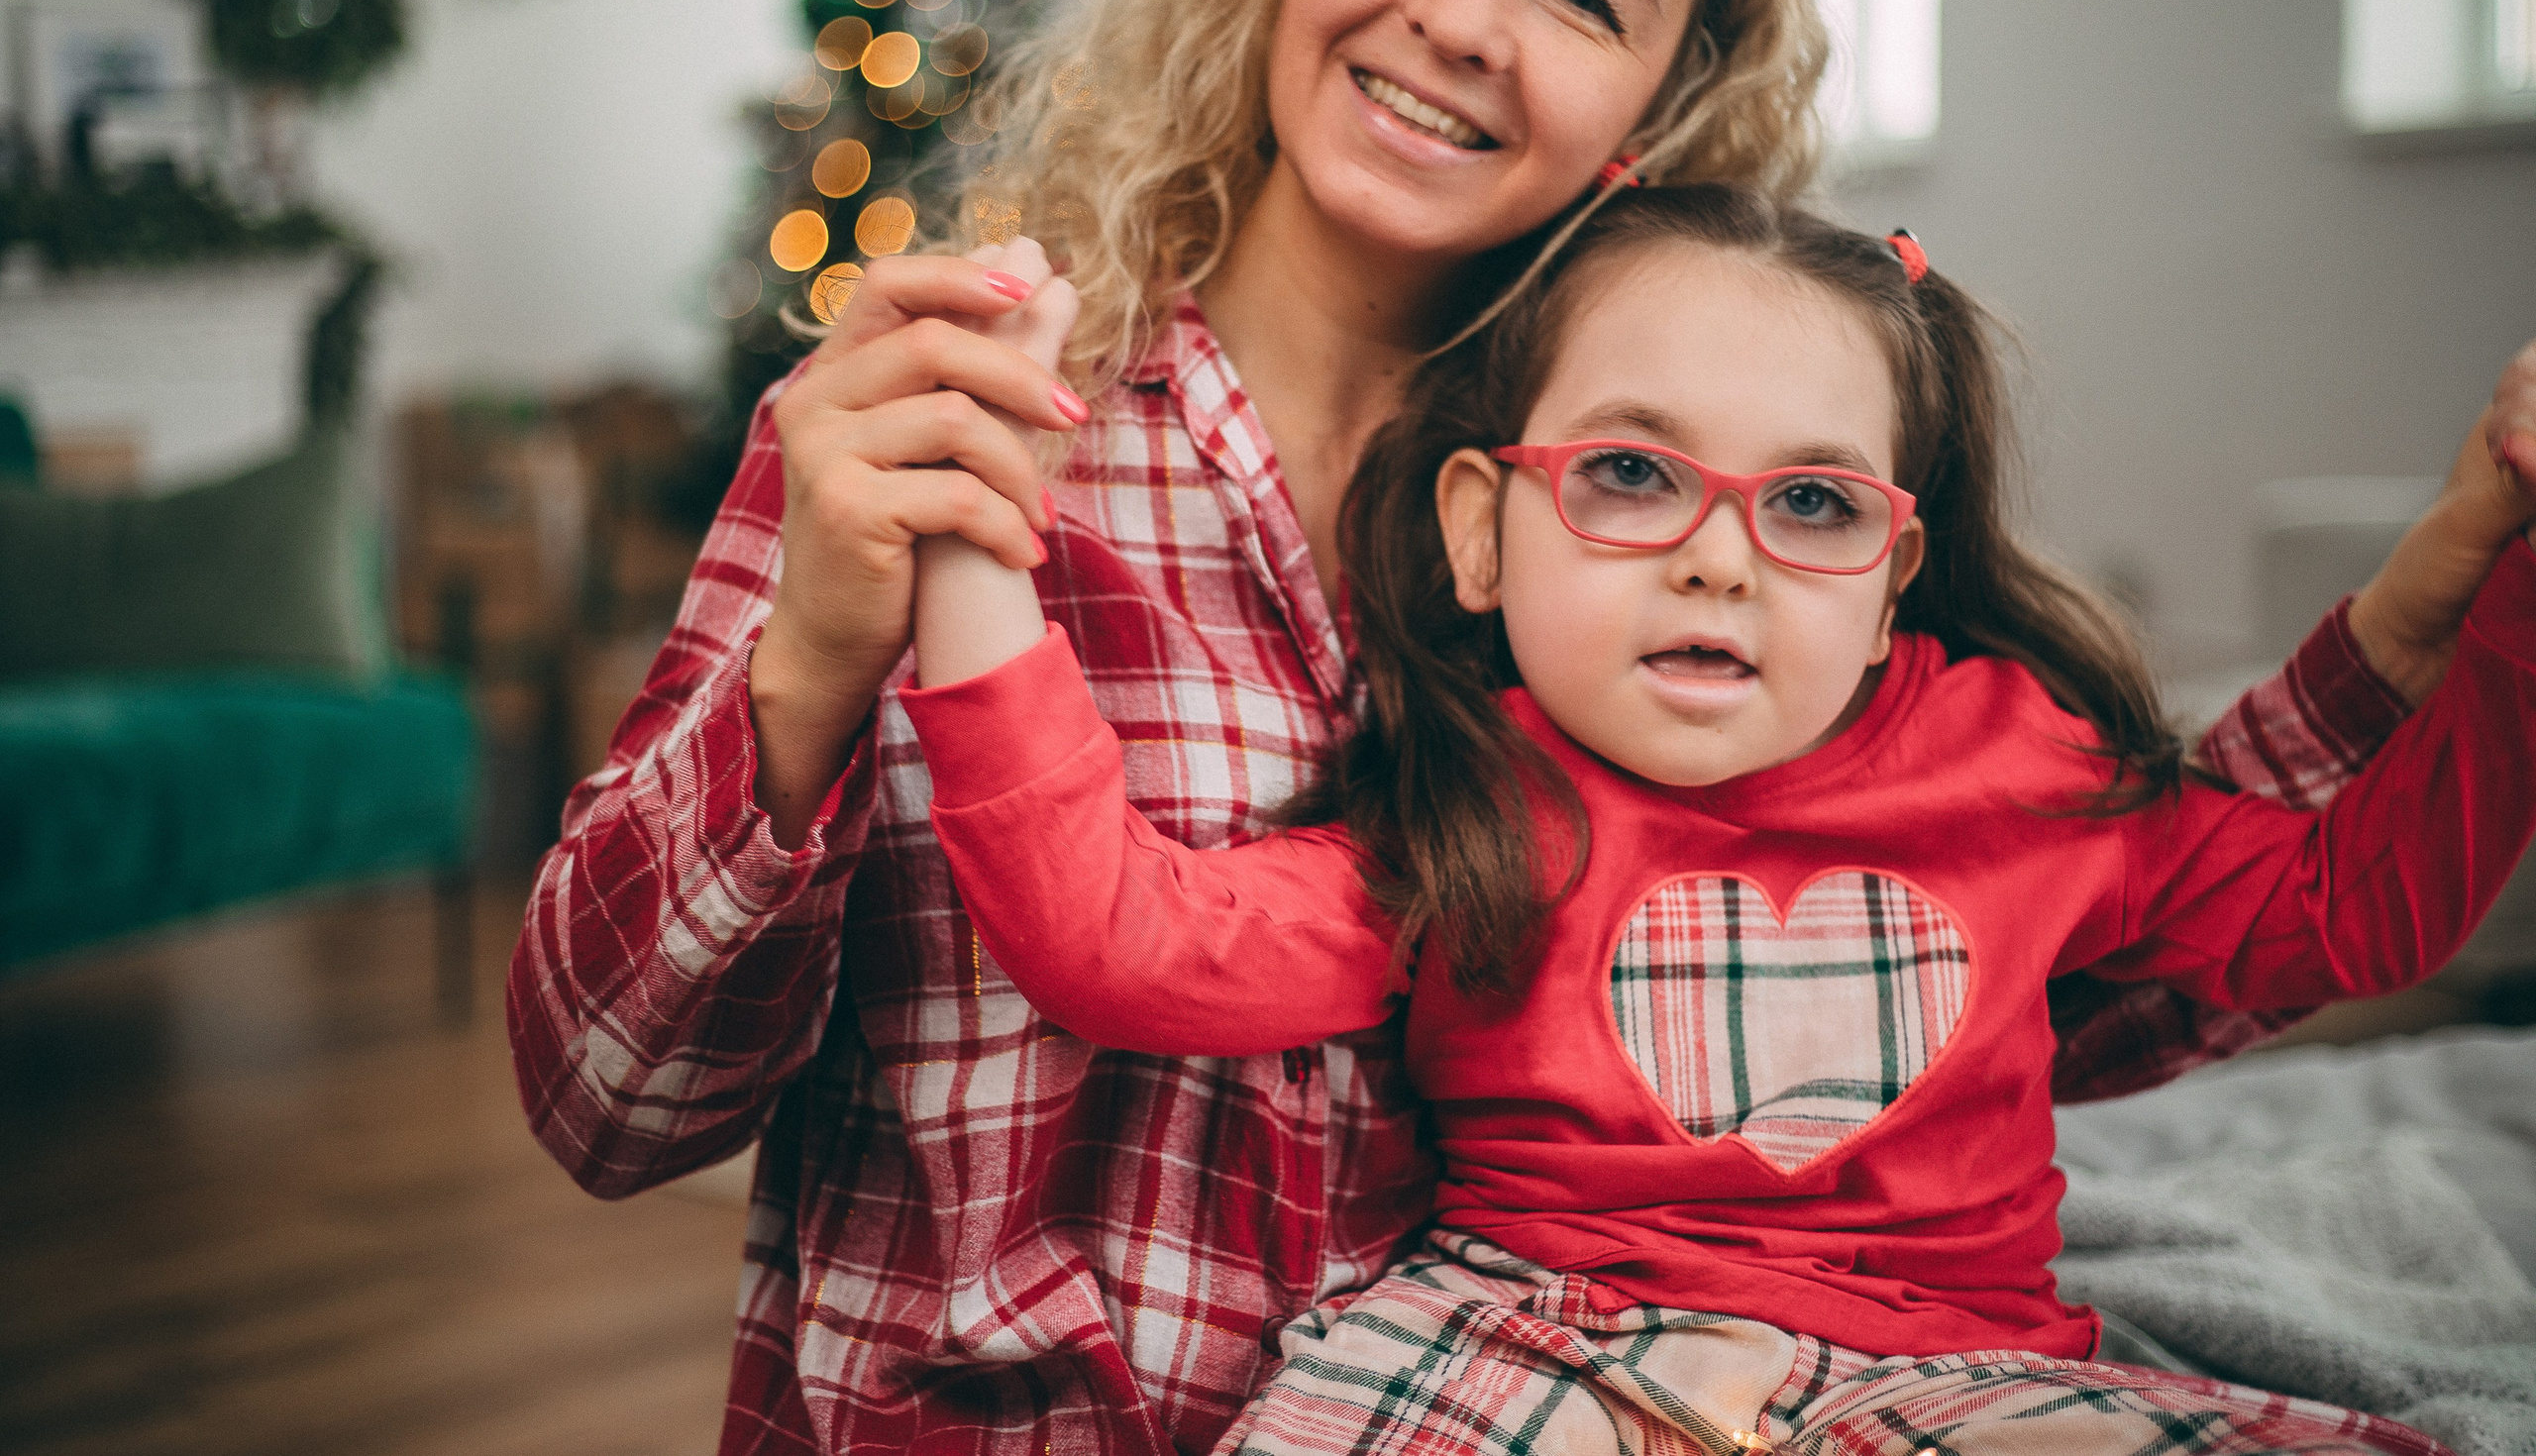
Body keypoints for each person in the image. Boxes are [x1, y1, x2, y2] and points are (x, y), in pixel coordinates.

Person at [505, 0, 2536, 1446]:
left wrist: (2448, 597)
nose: (1468, 22)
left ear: (1647, 108)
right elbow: (605, 1106)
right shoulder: (940, 435)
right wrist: (815, 665)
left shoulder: (1670, 549)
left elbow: (2046, 937)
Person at [898, 186, 2536, 1456]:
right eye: (1630, 473)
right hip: (1522, 1342)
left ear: (1893, 585)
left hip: (1956, 1373)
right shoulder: (1473, 808)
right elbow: (1118, 942)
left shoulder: (2018, 761)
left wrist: (2512, 566)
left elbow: (2347, 909)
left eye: (1813, 501)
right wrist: (975, 547)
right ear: (1483, 534)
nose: (1719, 556)